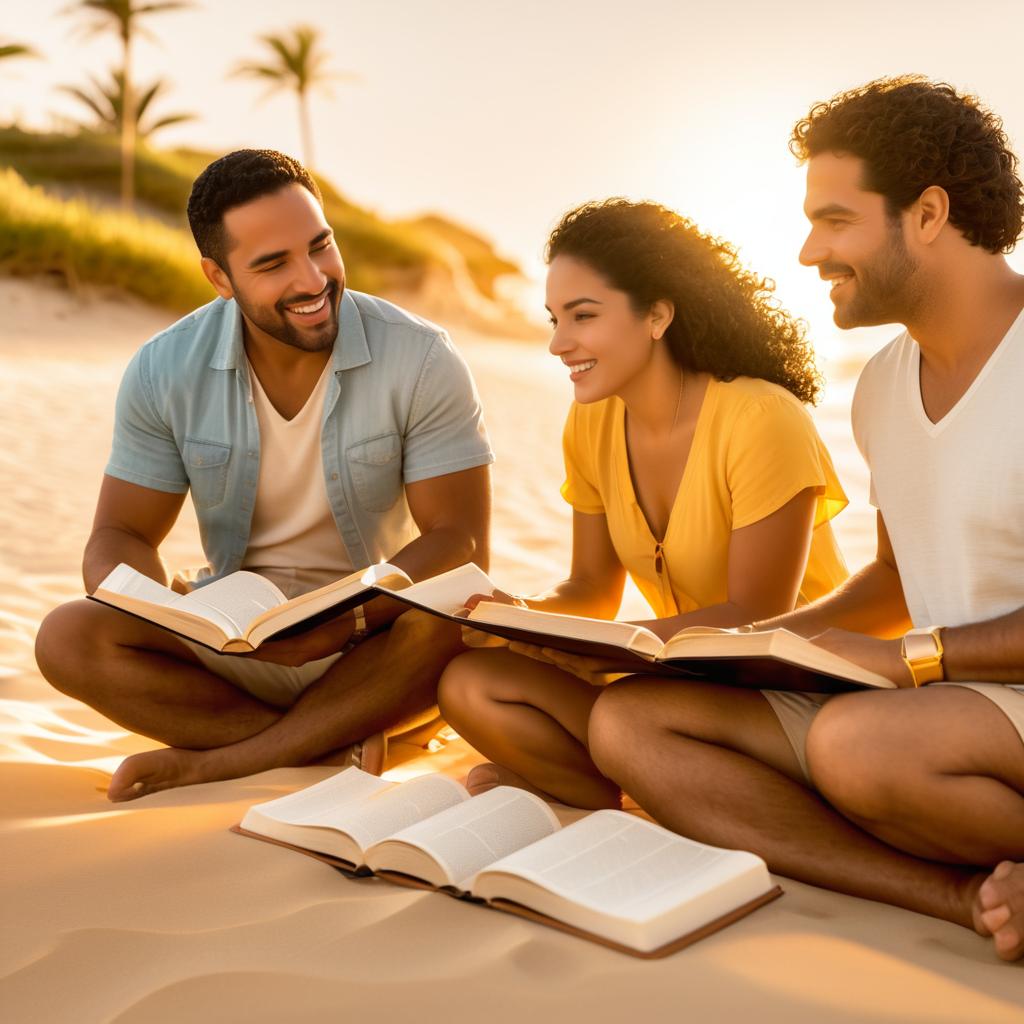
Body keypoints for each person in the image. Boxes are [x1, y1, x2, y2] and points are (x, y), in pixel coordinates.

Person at [587, 77, 1024, 962]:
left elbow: (911, 637)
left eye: (834, 220)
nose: (806, 250)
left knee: (859, 749)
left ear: (929, 214)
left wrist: (913, 659)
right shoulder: (884, 389)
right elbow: (899, 578)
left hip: (950, 705)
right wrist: (757, 647)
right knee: (635, 723)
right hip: (936, 705)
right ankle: (959, 896)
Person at [34, 149, 494, 802]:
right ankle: (333, 743)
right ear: (219, 277)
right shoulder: (164, 370)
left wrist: (346, 625)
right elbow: (119, 531)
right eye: (273, 264)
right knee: (67, 636)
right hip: (241, 647)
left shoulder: (420, 358)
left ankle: (224, 761)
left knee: (451, 616)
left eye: (320, 247)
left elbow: (459, 545)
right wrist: (158, 609)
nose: (312, 280)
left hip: (378, 641)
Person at [439, 198, 848, 808]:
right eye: (553, 319)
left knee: (627, 709)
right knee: (473, 682)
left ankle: (632, 782)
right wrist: (523, 618)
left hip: (792, 690)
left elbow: (758, 615)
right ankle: (645, 788)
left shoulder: (761, 417)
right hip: (669, 679)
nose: (558, 343)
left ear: (657, 315)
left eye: (582, 316)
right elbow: (591, 590)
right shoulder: (592, 423)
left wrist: (609, 651)